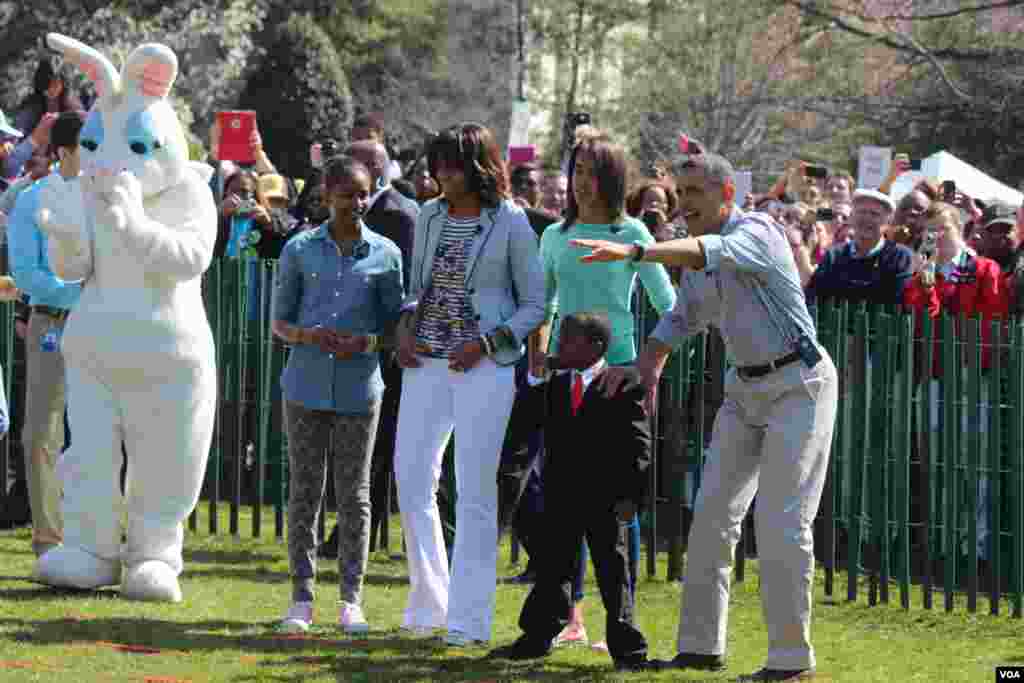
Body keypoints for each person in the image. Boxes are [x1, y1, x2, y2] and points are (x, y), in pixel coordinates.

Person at [571, 152, 838, 681]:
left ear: (727, 196)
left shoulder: (756, 231)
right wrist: (642, 367)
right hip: (744, 390)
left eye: (696, 192)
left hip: (799, 386)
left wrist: (634, 250)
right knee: (713, 516)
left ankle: (791, 661)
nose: (684, 202)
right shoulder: (697, 258)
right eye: (681, 190)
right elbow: (682, 317)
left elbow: (704, 252)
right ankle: (700, 649)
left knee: (783, 523)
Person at [393, 122, 545, 647]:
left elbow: (535, 305)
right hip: (426, 362)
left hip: (483, 365)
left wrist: (486, 342)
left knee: (475, 491)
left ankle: (468, 620)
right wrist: (405, 327)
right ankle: (430, 601)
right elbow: (418, 289)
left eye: (450, 165)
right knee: (411, 480)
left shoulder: (511, 221)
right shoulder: (429, 215)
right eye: (436, 165)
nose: (440, 175)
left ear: (477, 166)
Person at [530, 130, 676, 650]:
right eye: (576, 172)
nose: (581, 183)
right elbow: (543, 305)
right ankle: (572, 616)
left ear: (612, 179)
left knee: (618, 507)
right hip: (566, 382)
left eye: (592, 173)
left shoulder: (633, 232)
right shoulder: (553, 236)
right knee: (563, 506)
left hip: (617, 381)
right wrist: (540, 354)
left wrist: (641, 367)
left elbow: (669, 305)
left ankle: (622, 618)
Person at [271, 155, 405, 633]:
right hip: (304, 386)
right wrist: (309, 337)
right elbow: (279, 323)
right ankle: (301, 599)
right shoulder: (299, 249)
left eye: (364, 192)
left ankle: (352, 600)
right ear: (326, 196)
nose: (358, 202)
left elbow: (395, 330)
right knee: (304, 493)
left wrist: (365, 342)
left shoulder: (387, 254)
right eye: (347, 194)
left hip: (360, 388)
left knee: (355, 495)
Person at [489, 311, 650, 672]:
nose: (560, 345)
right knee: (552, 569)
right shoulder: (556, 386)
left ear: (595, 345)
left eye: (569, 339)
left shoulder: (621, 384)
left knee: (613, 571)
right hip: (562, 497)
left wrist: (630, 498)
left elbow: (639, 447)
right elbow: (527, 419)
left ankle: (628, 649)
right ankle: (537, 637)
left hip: (606, 500)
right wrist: (535, 375)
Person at [7, 110, 84, 558]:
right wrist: (78, 292)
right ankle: (48, 540)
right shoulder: (33, 201)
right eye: (87, 146)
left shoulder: (106, 197)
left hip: (103, 325)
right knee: (41, 433)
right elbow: (27, 273)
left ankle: (98, 537)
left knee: (104, 432)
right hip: (52, 323)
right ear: (64, 151)